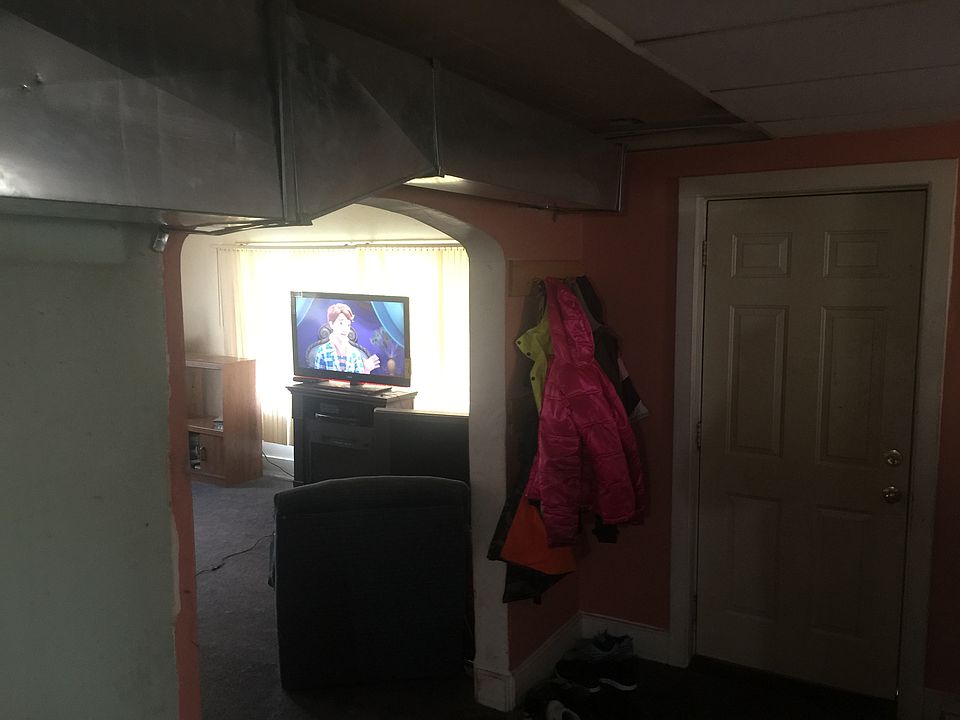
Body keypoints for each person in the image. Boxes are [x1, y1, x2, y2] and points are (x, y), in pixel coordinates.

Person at [313, 302, 380, 374]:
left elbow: (359, 380)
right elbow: (318, 378)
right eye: (341, 323)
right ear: (331, 324)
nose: (345, 328)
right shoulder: (323, 351)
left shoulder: (355, 353)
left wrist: (366, 370)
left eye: (348, 324)